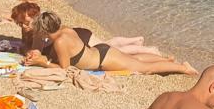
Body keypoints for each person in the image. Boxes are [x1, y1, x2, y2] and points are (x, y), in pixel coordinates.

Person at [22, 10, 196, 76]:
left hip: (103, 59)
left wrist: (42, 62)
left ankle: (182, 68)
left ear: (44, 30)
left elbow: (64, 69)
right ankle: (166, 62)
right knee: (137, 61)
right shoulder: (65, 29)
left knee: (144, 68)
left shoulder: (60, 41)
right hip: (100, 52)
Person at [12, 2, 167, 59]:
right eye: (20, 24)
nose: (24, 26)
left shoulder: (40, 30)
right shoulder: (35, 28)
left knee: (113, 50)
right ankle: (135, 40)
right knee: (108, 44)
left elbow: (36, 51)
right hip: (78, 34)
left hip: (80, 38)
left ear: (36, 17)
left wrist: (27, 52)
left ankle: (149, 50)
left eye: (26, 23)